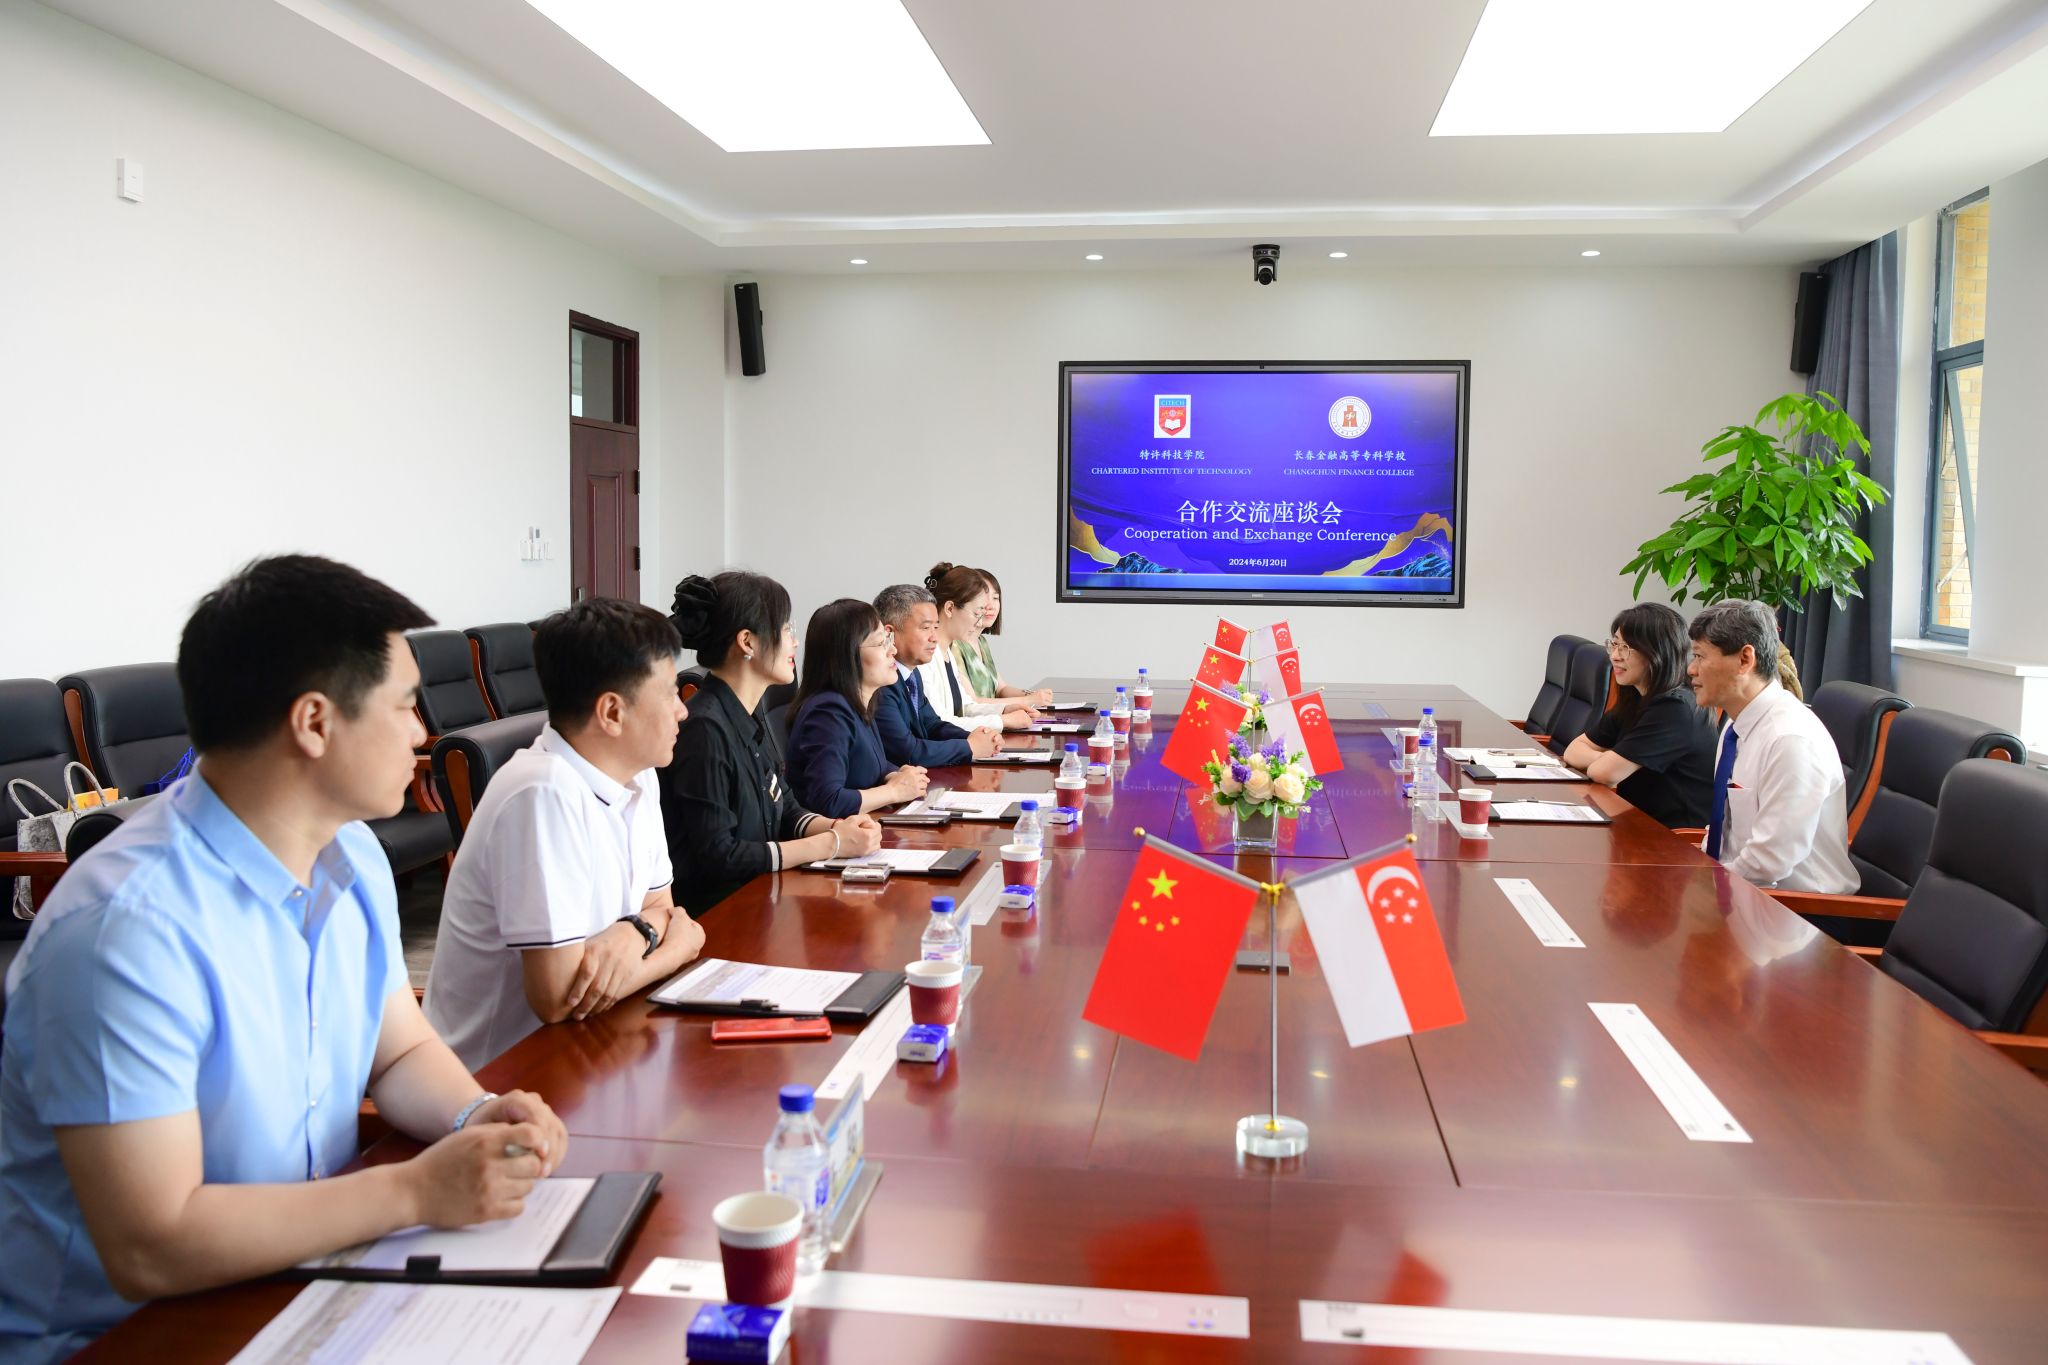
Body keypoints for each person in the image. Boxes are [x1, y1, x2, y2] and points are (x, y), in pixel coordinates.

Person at [0, 556, 567, 1362]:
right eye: (405, 704)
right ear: (313, 722)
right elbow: (153, 1244)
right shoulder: (124, 931)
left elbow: (398, 1048)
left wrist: (475, 1114)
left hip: (298, 1282)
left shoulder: (353, 855)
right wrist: (413, 1188)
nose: (422, 732)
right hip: (123, 1335)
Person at [425, 599, 709, 1071]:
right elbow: (558, 998)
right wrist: (674, 948)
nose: (682, 712)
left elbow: (662, 907)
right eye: (669, 695)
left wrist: (637, 931)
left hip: (590, 1047)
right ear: (612, 712)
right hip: (498, 1079)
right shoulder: (543, 792)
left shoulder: (638, 775)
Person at [660, 572, 882, 915]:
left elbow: (786, 807)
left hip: (760, 901)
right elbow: (721, 855)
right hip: (718, 916)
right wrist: (832, 843)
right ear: (747, 642)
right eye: (786, 629)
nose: (795, 642)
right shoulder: (704, 728)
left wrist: (839, 827)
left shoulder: (748, 714)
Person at [1686, 599, 1856, 893]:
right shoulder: (1736, 726)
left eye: (1700, 656)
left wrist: (1707, 889)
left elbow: (1769, 862)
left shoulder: (1790, 740)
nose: (1691, 669)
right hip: (1743, 887)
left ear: (1745, 659)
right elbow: (1727, 827)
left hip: (1796, 907)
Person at [1561, 603, 1718, 828]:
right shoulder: (1636, 697)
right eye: (1614, 644)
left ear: (1657, 653)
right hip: (1634, 821)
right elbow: (1574, 750)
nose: (1615, 656)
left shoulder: (1676, 707)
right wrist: (1609, 760)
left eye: (1625, 648)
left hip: (1673, 838)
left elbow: (1604, 774)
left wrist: (1608, 763)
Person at [786, 599, 933, 817]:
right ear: (846, 654)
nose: (893, 650)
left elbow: (868, 762)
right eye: (881, 643)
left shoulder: (859, 701)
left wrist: (896, 775)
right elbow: (827, 800)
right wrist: (894, 791)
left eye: (888, 639)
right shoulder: (828, 712)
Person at [872, 583, 1003, 767]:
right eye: (926, 628)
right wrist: (970, 747)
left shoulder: (911, 675)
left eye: (935, 627)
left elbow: (932, 725)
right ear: (890, 633)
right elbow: (908, 753)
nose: (934, 637)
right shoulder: (881, 684)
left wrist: (975, 737)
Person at [918, 562, 1039, 731]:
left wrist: (1005, 710)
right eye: (976, 613)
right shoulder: (925, 658)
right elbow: (940, 722)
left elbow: (966, 707)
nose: (979, 622)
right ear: (950, 608)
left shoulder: (947, 654)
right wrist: (1003, 720)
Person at [953, 568, 1053, 706]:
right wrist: (1028, 700)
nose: (990, 606)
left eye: (995, 598)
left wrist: (1033, 695)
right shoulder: (954, 645)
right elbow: (971, 703)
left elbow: (1001, 689)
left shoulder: (981, 642)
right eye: (983, 598)